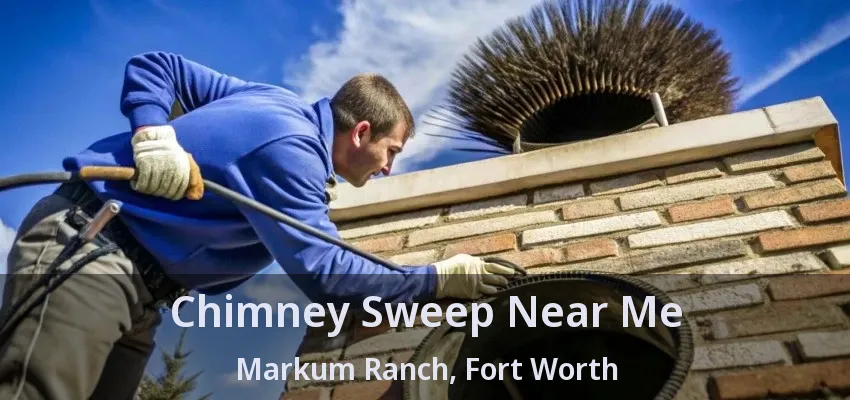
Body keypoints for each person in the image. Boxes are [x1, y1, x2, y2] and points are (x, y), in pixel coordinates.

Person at [0, 51, 517, 400]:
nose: (389, 168)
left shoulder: (272, 103)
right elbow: (328, 274)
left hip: (139, 289)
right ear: (361, 132)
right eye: (391, 152)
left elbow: (162, 67)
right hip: (93, 245)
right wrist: (437, 279)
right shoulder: (291, 148)